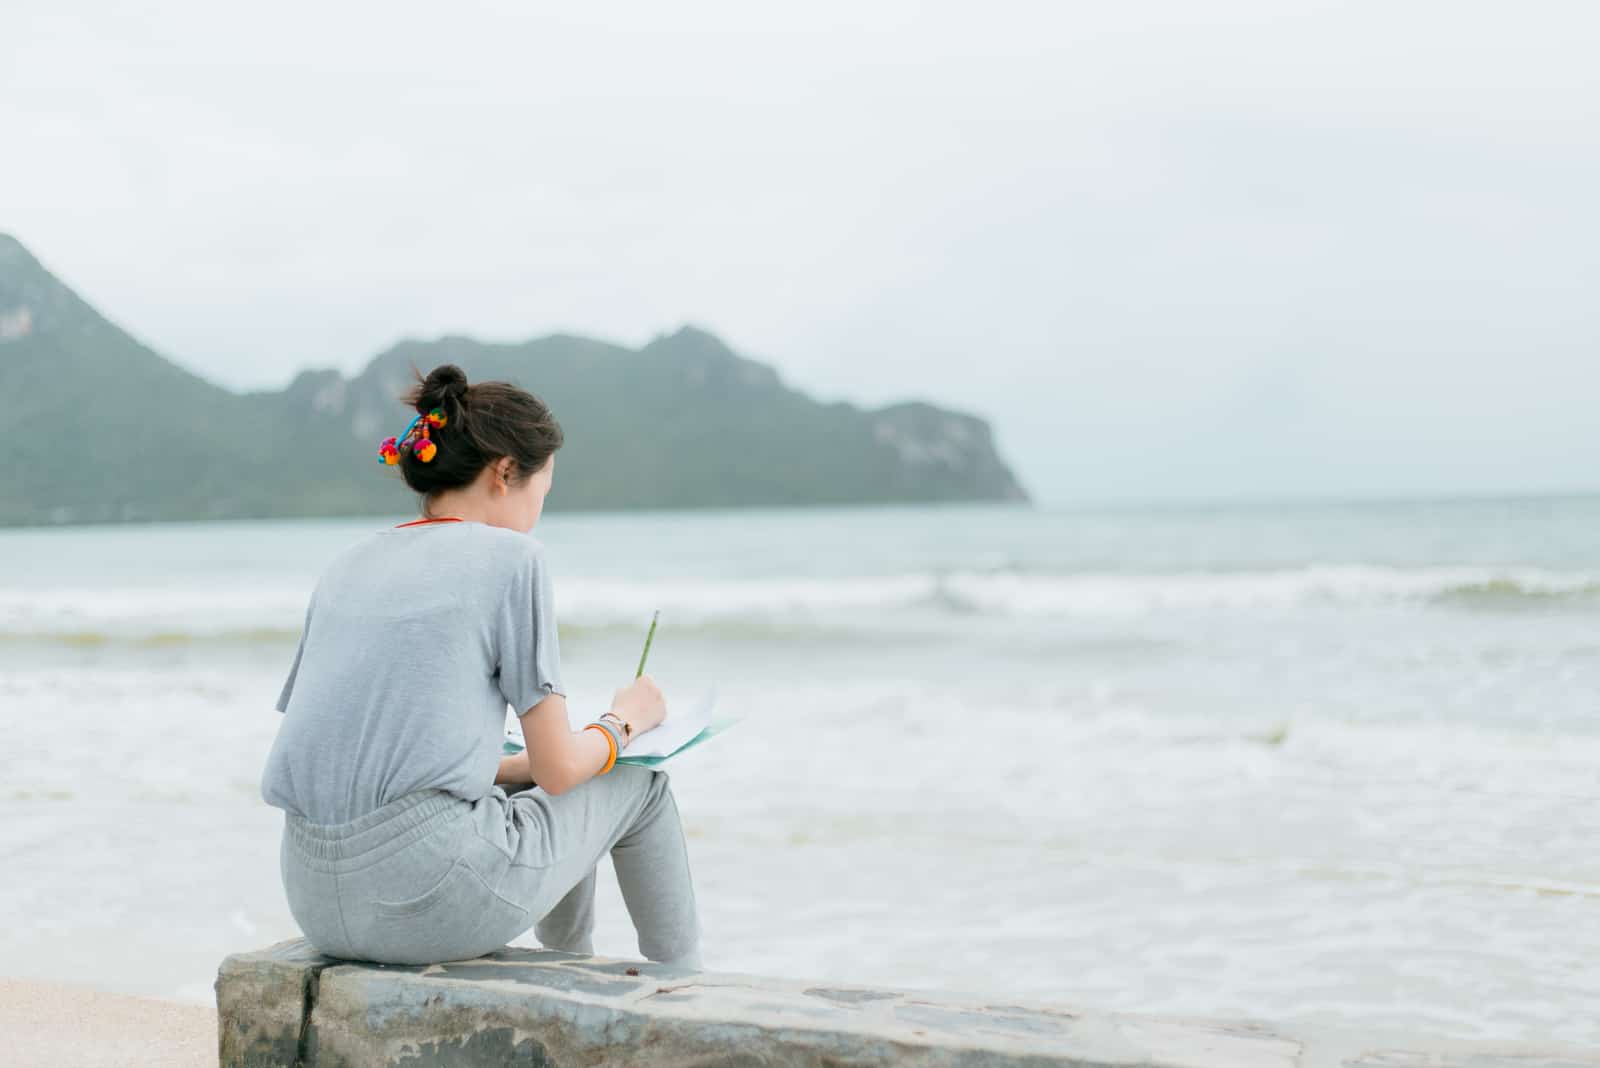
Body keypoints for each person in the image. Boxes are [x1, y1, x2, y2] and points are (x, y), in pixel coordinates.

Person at [259, 362, 703, 969]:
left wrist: (522, 764)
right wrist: (625, 722)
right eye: (540, 493)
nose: (537, 514)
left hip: (314, 899)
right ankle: (685, 988)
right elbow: (559, 771)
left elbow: (368, 761)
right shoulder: (512, 558)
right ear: (504, 474)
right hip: (428, 900)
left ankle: (570, 966)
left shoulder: (347, 564)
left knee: (535, 780)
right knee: (640, 784)